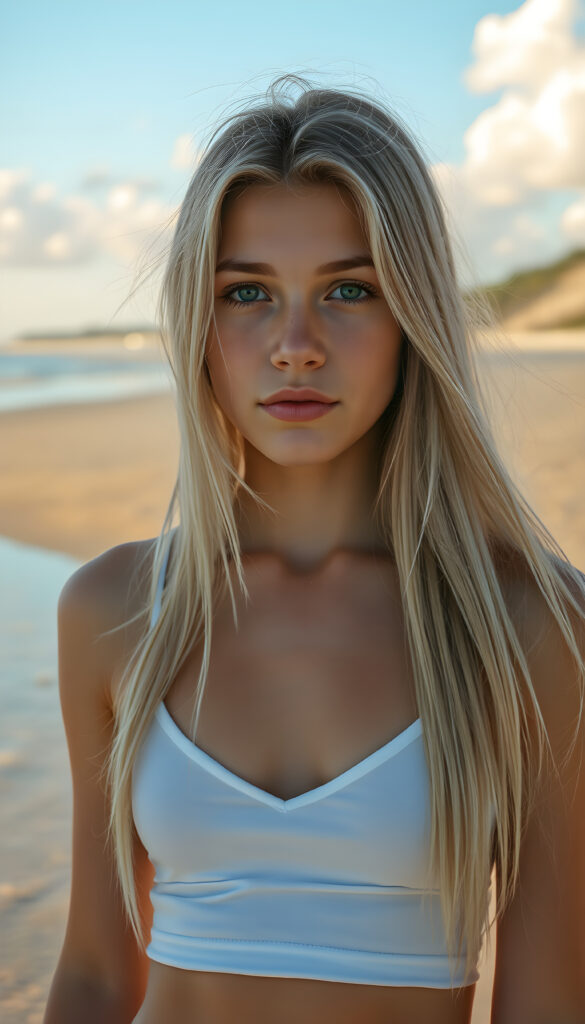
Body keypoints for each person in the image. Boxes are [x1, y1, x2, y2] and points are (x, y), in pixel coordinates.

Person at [43, 74, 585, 1024]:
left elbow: (545, 1001)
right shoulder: (114, 609)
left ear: (411, 317)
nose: (295, 345)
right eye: (246, 292)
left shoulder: (529, 624)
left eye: (348, 289)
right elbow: (93, 972)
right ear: (198, 327)